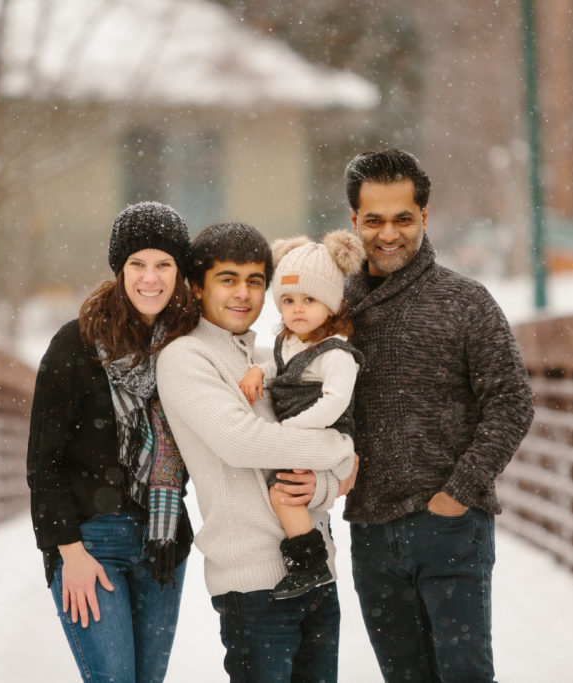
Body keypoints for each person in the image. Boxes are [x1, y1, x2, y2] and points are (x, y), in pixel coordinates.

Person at [342, 149, 535, 682]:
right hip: (371, 532)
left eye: (403, 219)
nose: (388, 234)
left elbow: (512, 400)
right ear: (353, 220)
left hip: (450, 529)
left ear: (425, 217)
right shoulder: (334, 308)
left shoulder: (465, 301)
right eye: (374, 220)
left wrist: (459, 492)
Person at [156, 221, 359, 682]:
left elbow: (332, 467)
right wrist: (338, 449)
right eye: (227, 279)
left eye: (254, 281)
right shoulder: (186, 358)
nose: (242, 293)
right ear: (196, 286)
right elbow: (241, 443)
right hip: (254, 589)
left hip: (317, 574)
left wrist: (328, 478)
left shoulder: (277, 357)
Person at [26, 201, 198, 683]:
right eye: (137, 264)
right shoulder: (76, 345)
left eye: (164, 264)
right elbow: (44, 465)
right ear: (119, 271)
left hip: (162, 542)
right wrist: (69, 553)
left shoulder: (187, 346)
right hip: (90, 545)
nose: (151, 278)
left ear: (180, 272)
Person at [237, 230, 365, 600]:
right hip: (299, 434)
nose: (297, 309)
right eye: (288, 300)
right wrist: (260, 370)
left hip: (326, 431)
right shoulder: (287, 341)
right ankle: (309, 557)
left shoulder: (336, 353)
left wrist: (290, 430)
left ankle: (308, 561)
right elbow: (280, 366)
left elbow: (334, 403)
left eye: (309, 299)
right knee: (284, 491)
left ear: (332, 305)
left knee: (283, 494)